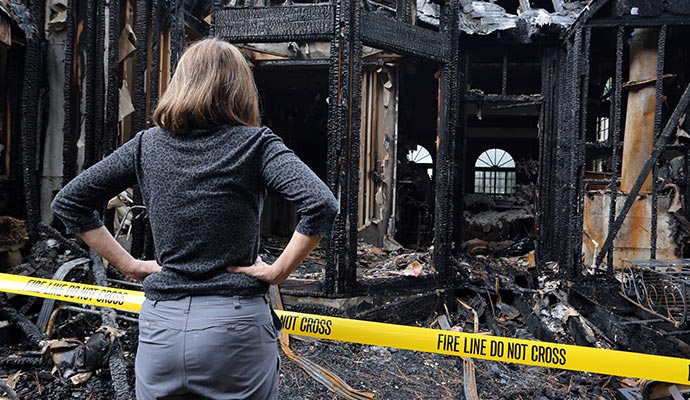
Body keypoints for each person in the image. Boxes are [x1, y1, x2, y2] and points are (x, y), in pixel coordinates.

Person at [51, 38, 338, 399]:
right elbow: (322, 204)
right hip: (235, 328)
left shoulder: (146, 145)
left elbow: (70, 202)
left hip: (162, 329)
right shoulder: (257, 144)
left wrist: (130, 265)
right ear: (240, 89)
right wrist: (278, 271)